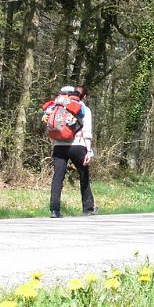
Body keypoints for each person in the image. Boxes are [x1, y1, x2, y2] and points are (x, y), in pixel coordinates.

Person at [44, 85, 96, 218]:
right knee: (84, 175)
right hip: (77, 145)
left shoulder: (54, 107)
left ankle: (54, 210)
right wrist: (88, 151)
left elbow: (51, 128)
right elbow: (87, 132)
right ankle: (88, 208)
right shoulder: (83, 108)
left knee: (57, 177)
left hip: (59, 146)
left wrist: (54, 145)